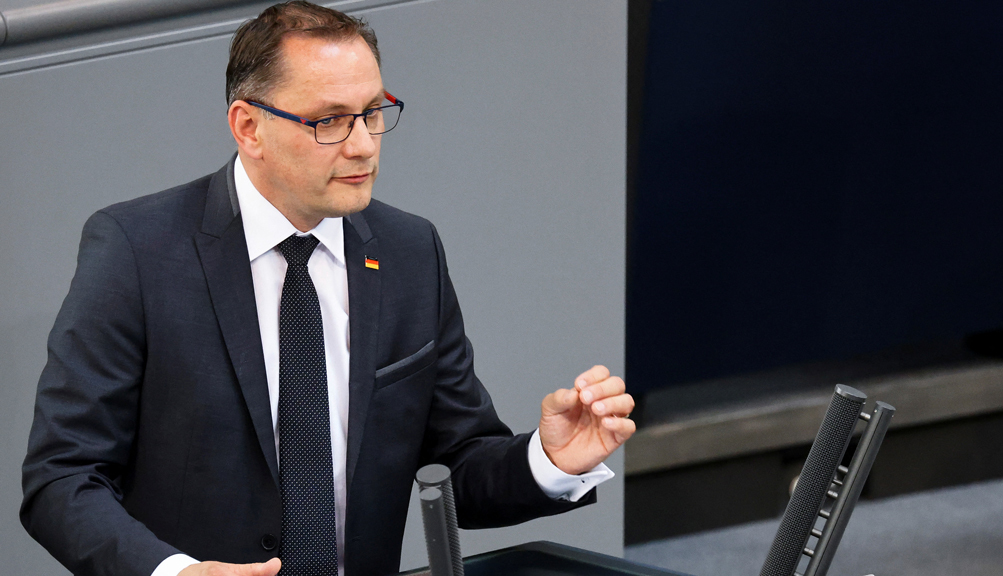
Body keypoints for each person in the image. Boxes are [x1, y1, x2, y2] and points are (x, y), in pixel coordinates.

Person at [20, 3, 635, 576]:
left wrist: (549, 461)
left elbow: (459, 468)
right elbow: (63, 478)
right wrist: (175, 573)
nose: (363, 144)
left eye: (372, 112)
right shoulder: (137, 251)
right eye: (330, 121)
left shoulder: (409, 252)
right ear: (249, 127)